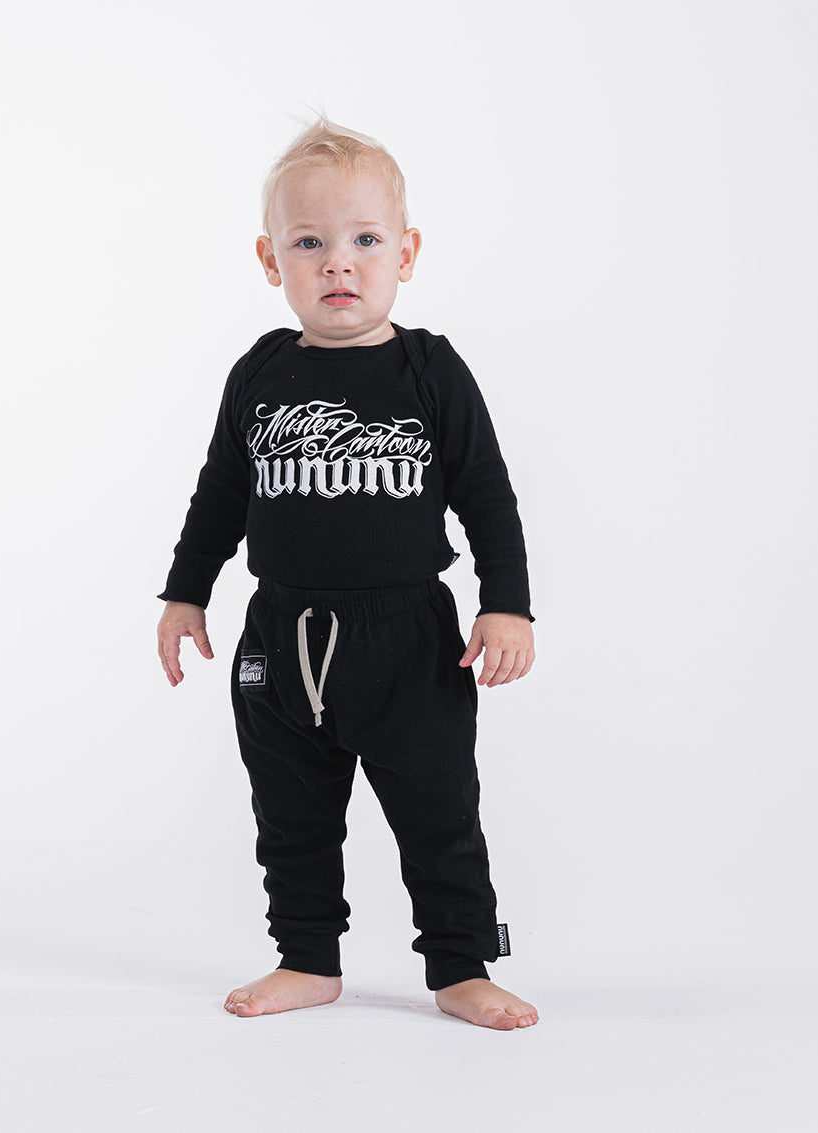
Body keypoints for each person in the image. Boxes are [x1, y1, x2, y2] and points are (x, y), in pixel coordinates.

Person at [156, 118, 540, 1031]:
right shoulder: (260, 373)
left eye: (365, 240)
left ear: (405, 253)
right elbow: (221, 492)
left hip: (409, 642)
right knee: (290, 813)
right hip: (280, 637)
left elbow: (487, 495)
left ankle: (460, 964)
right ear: (270, 260)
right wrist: (185, 592)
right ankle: (307, 956)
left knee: (439, 811)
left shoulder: (430, 369)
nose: (339, 263)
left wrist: (507, 605)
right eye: (309, 243)